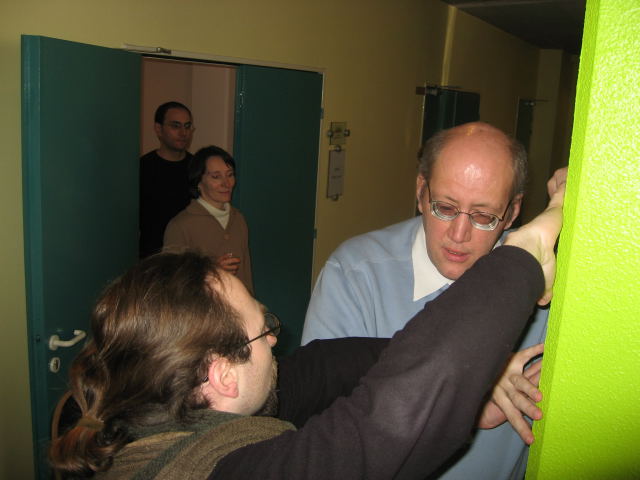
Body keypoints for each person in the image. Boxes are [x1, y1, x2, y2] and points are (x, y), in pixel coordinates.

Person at [48, 176, 565, 479]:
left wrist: (478, 376)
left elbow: (320, 369)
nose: (276, 338)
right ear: (221, 377)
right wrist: (527, 252)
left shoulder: (156, 411)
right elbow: (388, 425)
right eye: (264, 331)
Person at [302, 121, 560, 479]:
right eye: (445, 208)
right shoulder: (354, 274)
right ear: (421, 193)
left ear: (512, 213)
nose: (459, 234)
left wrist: (569, 201)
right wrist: (469, 390)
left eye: (484, 216)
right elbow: (320, 419)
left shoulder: (546, 278)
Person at [163, 145, 253, 293]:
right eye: (216, 177)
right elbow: (171, 283)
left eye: (230, 175)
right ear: (198, 182)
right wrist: (209, 271)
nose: (226, 183)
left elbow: (246, 275)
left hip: (237, 305)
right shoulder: (180, 225)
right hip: (201, 306)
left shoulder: (239, 219)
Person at [139, 101, 195, 258]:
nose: (183, 133)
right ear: (158, 129)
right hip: (153, 257)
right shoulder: (142, 168)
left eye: (187, 126)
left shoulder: (198, 168)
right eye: (175, 126)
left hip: (191, 257)